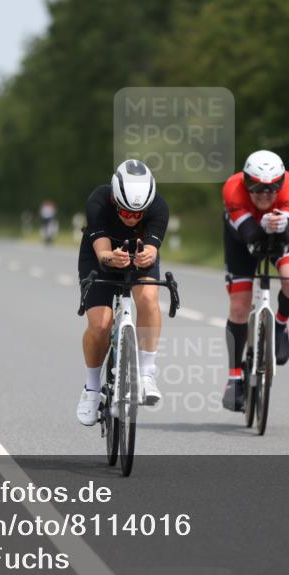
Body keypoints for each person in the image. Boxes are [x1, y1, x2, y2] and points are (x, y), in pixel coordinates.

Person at [77, 159, 169, 426]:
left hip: (137, 257)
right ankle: (91, 389)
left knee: (149, 298)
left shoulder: (159, 206)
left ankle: (147, 374)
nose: (130, 218)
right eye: (125, 211)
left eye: (137, 214)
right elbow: (103, 251)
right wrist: (110, 258)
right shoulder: (99, 200)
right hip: (99, 257)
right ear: (115, 199)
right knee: (101, 323)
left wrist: (147, 256)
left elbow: (151, 249)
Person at [220, 150, 289, 412]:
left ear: (281, 183)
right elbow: (249, 237)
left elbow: (288, 232)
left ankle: (280, 324)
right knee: (239, 306)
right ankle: (235, 376)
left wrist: (280, 227)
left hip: (280, 233)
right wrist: (263, 227)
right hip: (241, 239)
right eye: (255, 187)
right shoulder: (233, 189)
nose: (264, 194)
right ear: (245, 181)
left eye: (271, 189)